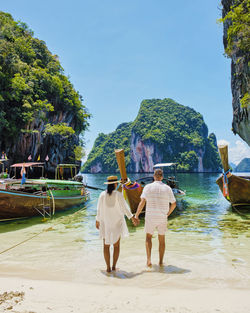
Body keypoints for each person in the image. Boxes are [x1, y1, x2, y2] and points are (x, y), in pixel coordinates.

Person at [134, 169, 176, 267]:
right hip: (162, 216)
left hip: (150, 216)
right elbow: (174, 204)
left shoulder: (148, 187)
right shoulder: (167, 188)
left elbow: (142, 202)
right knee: (161, 240)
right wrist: (167, 214)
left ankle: (148, 261)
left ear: (154, 176)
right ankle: (161, 262)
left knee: (148, 238)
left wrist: (136, 215)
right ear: (162, 177)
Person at [96, 175, 137, 273]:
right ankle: (114, 267)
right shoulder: (118, 195)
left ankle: (108, 268)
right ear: (115, 184)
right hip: (116, 223)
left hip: (105, 222)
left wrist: (97, 220)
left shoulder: (102, 194)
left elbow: (98, 209)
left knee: (106, 246)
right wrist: (132, 217)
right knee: (116, 246)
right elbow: (125, 208)